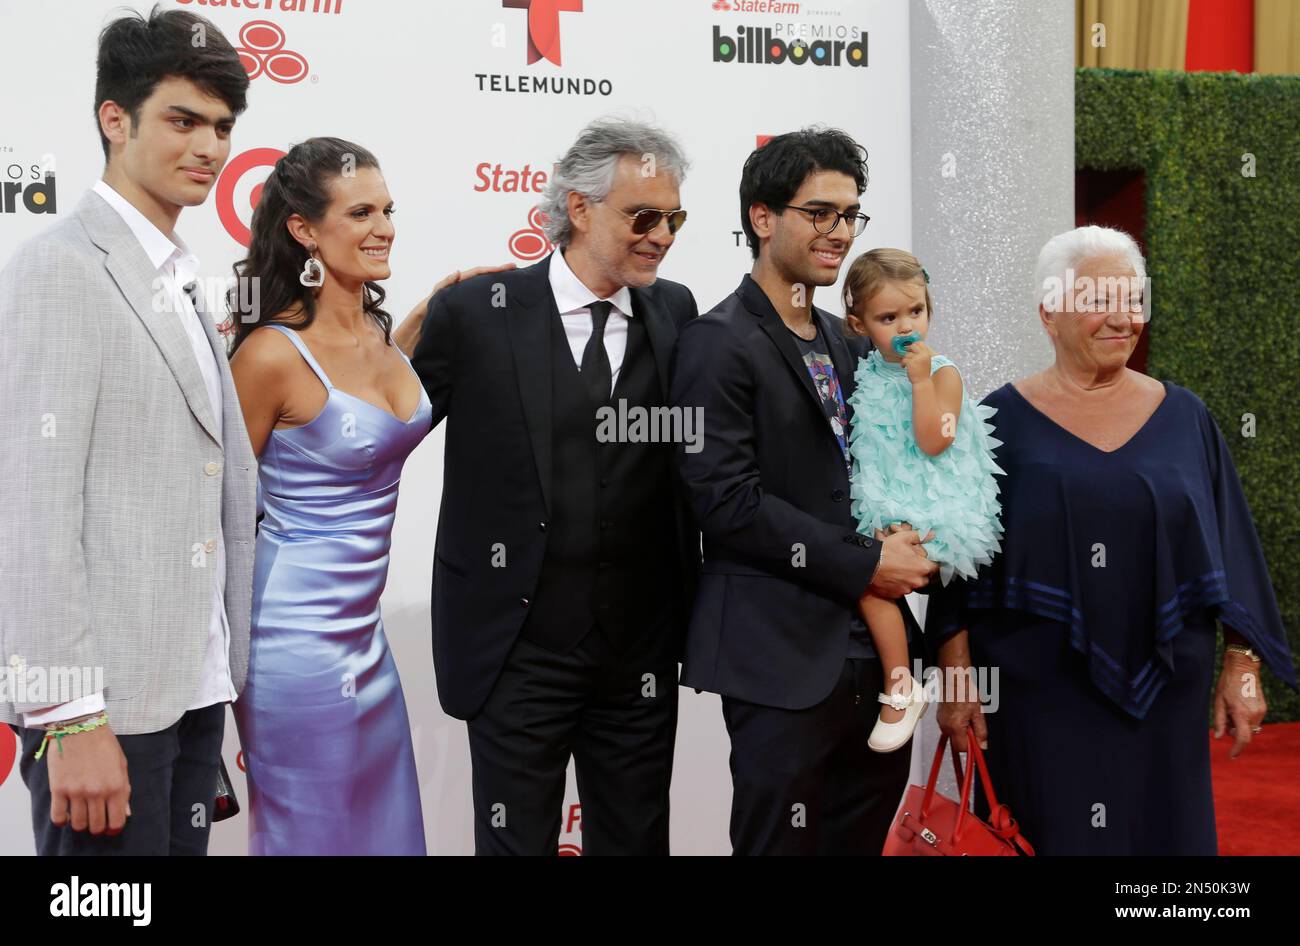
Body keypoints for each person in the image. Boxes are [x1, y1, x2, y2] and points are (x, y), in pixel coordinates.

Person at [930, 225, 1298, 855]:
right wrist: (958, 682)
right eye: (1099, 301)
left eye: (1133, 301)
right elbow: (956, 565)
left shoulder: (1187, 418)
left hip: (1166, 692)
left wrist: (1242, 664)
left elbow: (1232, 546)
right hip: (1035, 694)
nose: (1123, 319)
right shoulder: (993, 421)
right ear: (1050, 311)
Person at [0, 6, 254, 854]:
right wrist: (68, 718)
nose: (209, 148)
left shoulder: (181, 280)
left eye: (221, 127)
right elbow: (30, 511)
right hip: (103, 709)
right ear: (116, 119)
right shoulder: (61, 270)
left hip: (187, 691)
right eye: (183, 120)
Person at [410, 118, 701, 855]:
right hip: (517, 649)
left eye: (673, 218)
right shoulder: (477, 314)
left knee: (638, 842)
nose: (662, 236)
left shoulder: (676, 312)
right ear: (578, 208)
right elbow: (381, 431)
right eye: (643, 217)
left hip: (638, 652)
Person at [227, 137, 509, 855]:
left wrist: (434, 308)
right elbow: (218, 504)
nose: (384, 226)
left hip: (365, 643)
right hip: (292, 645)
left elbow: (372, 412)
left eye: (388, 209)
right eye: (360, 212)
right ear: (303, 229)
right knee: (311, 836)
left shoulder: (383, 339)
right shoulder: (268, 356)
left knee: (383, 833)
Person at [670, 128, 937, 856]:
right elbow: (725, 501)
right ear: (763, 217)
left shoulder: (849, 341)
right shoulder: (714, 343)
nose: (840, 232)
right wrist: (864, 563)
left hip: (876, 660)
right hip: (777, 656)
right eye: (820, 212)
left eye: (851, 215)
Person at [841, 248, 1003, 751]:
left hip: (942, 508)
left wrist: (919, 382)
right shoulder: (864, 373)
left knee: (872, 580)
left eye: (916, 312)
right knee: (864, 570)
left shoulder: (943, 373)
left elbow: (936, 439)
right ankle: (903, 679)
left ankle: (899, 685)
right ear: (859, 324)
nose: (906, 327)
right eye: (888, 318)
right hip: (892, 504)